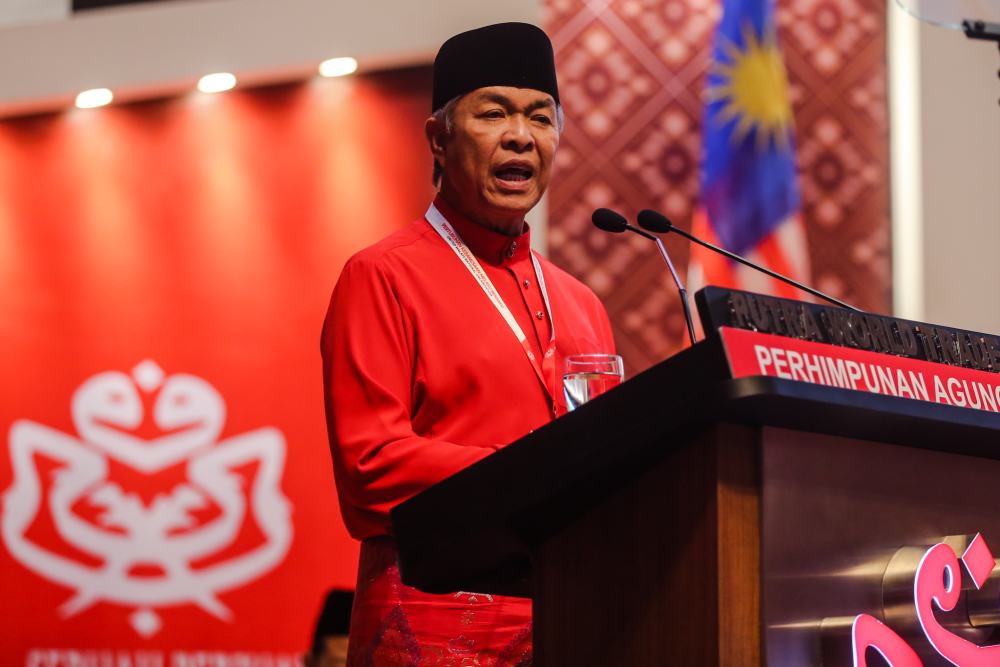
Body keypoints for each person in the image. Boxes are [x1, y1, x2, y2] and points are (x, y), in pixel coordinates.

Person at [321, 22, 616, 666]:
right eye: (494, 113)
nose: (520, 135)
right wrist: (537, 470)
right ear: (439, 137)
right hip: (429, 624)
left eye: (540, 117)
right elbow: (370, 469)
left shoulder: (582, 303)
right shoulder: (382, 275)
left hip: (570, 618)